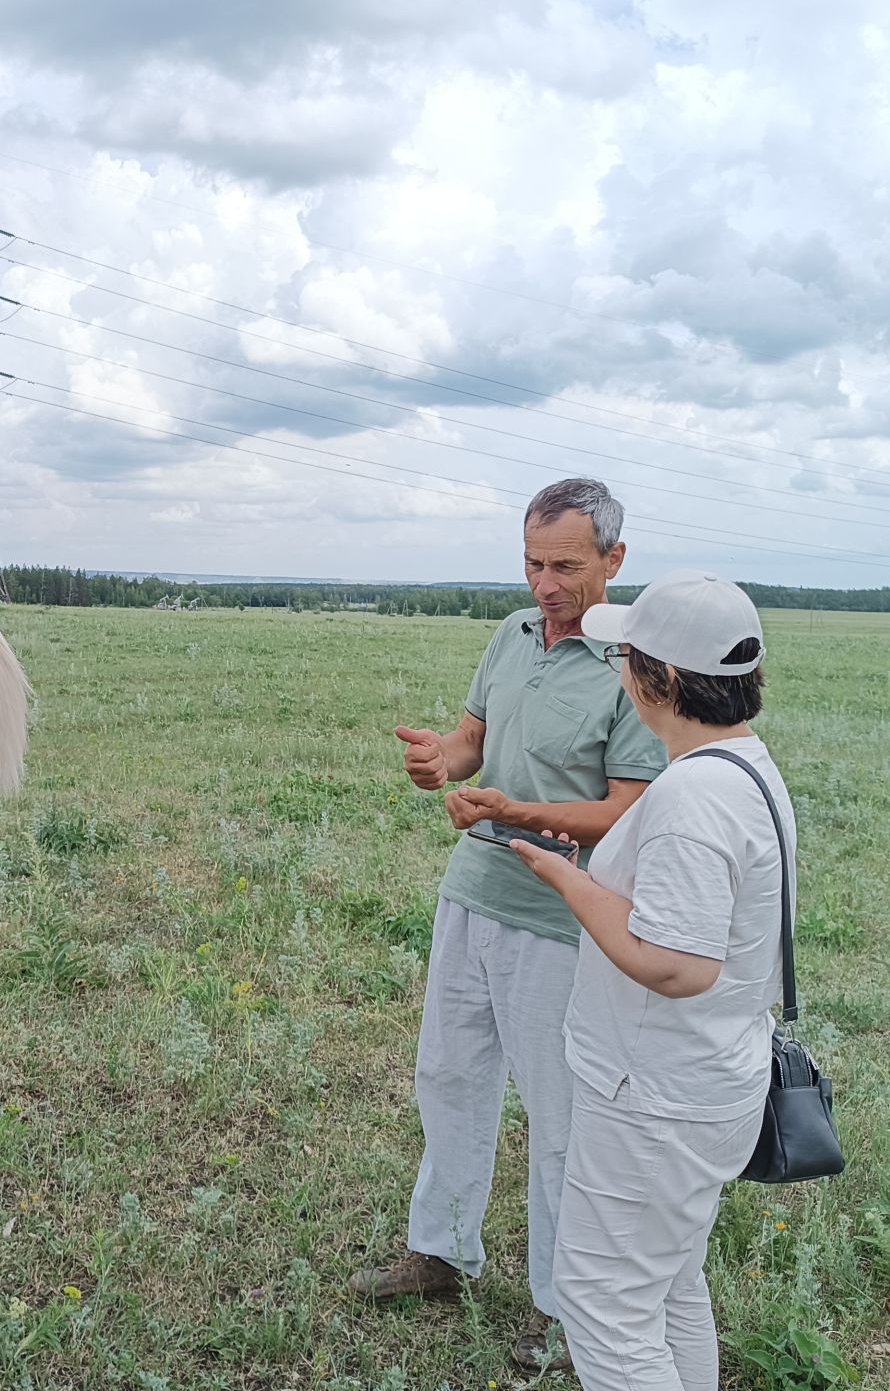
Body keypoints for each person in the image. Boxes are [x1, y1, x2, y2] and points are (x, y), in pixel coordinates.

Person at [352, 478, 666, 1373]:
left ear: (614, 559)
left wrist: (521, 813)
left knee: (560, 1117)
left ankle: (567, 1310)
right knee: (448, 1074)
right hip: (474, 891)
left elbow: (628, 810)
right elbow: (468, 747)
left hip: (561, 917)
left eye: (566, 565)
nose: (545, 583)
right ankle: (442, 1252)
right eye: (532, 562)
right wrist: (434, 762)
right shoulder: (511, 635)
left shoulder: (634, 668)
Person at [509, 569, 792, 1391]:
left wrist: (570, 882)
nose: (620, 673)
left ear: (662, 679)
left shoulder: (694, 796)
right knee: (668, 1285)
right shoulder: (747, 770)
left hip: (654, 1097)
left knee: (601, 1305)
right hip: (709, 1081)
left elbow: (676, 963)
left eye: (625, 657)